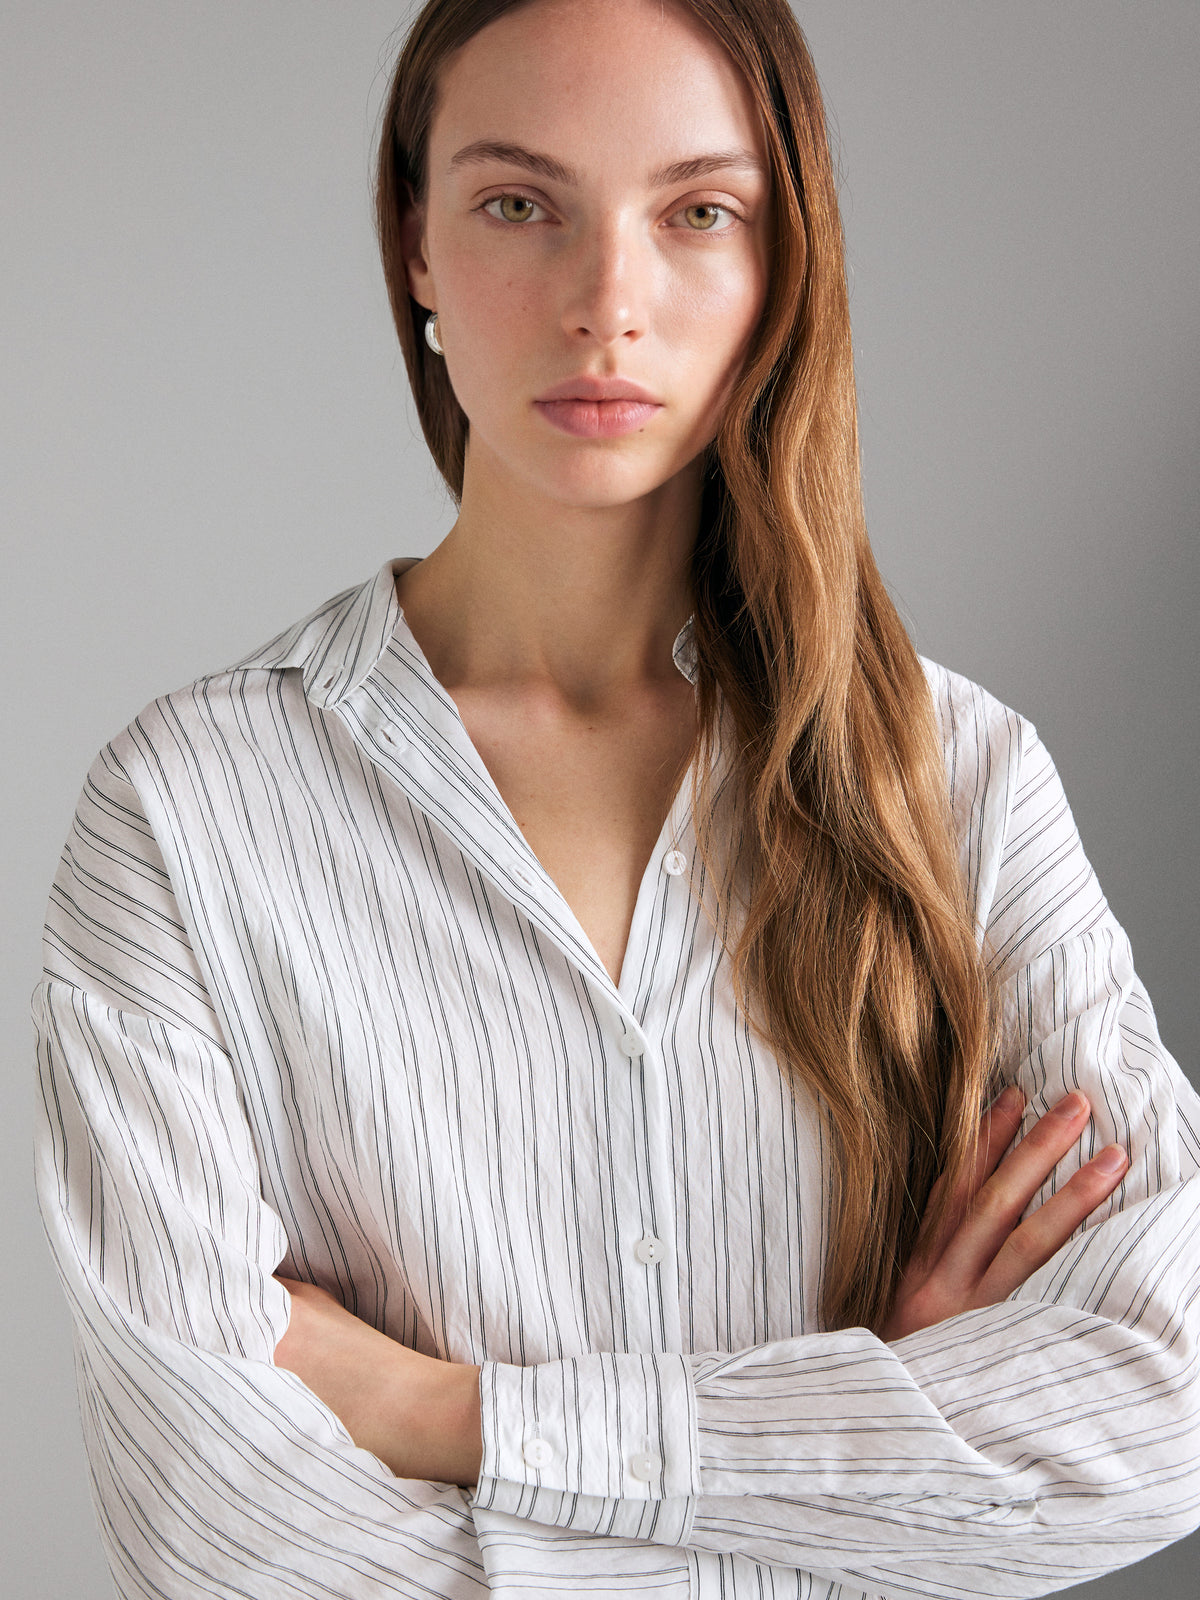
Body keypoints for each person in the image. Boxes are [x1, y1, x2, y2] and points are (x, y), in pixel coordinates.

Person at [32, 1, 1200, 1596]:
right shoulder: (183, 821)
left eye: (697, 213)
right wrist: (862, 1451)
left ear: (781, 267)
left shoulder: (961, 782)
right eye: (522, 204)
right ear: (417, 245)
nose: (608, 304)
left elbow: (1165, 1402)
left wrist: (453, 1415)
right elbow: (227, 1543)